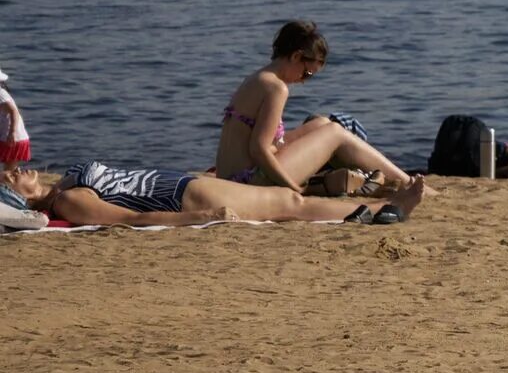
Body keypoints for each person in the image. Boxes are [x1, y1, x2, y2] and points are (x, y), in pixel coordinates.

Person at [214, 20, 421, 195]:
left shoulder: (256, 78)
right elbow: (258, 149)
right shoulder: (277, 88)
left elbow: (258, 143)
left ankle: (380, 178)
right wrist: (295, 188)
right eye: (307, 73)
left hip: (231, 178)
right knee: (335, 132)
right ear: (296, 57)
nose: (304, 81)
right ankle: (407, 182)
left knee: (321, 123)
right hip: (248, 183)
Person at [3, 161, 426, 227]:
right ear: (17, 198)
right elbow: (130, 220)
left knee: (287, 200)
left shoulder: (61, 182)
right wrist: (198, 219)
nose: (14, 169)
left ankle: (378, 207)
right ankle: (381, 212)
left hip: (185, 183)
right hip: (186, 201)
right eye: (8, 179)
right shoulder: (66, 201)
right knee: (288, 204)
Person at [0, 63, 28, 166]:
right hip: (7, 134)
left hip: (13, 136)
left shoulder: (1, 94)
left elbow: (14, 112)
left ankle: (8, 181)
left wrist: (12, 132)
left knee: (9, 171)